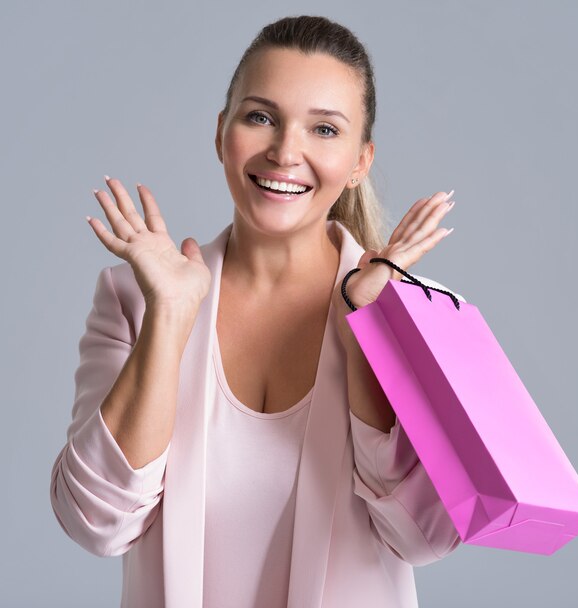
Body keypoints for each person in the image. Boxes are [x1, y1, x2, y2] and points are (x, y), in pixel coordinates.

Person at [50, 14, 465, 608]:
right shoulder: (133, 299)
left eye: (324, 130)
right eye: (261, 117)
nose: (285, 151)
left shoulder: (411, 309)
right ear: (222, 132)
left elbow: (425, 536)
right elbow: (94, 522)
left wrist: (368, 326)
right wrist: (168, 321)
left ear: (360, 160)